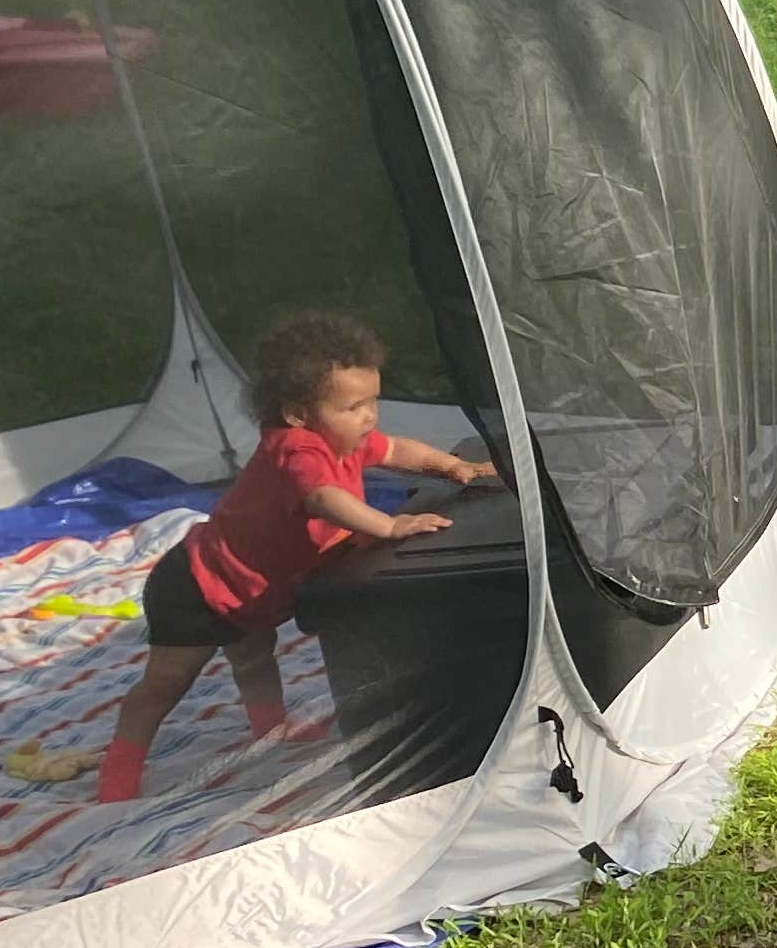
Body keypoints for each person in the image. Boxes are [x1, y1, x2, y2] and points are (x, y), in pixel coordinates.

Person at [95, 312, 499, 803]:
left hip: (253, 591)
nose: (368, 416)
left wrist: (454, 467)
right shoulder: (296, 451)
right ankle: (120, 767)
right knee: (165, 684)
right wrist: (390, 525)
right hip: (197, 587)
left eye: (373, 401)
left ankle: (270, 732)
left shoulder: (345, 438)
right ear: (296, 414)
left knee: (255, 660)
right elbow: (324, 499)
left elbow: (397, 449)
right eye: (353, 407)